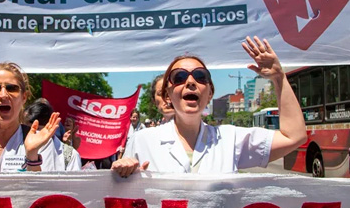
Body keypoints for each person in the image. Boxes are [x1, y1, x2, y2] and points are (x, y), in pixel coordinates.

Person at [113, 37, 306, 176]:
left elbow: (293, 137)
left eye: (200, 76)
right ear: (167, 95)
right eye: (179, 77)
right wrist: (122, 171)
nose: (190, 81)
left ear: (210, 93)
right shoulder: (142, 140)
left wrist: (279, 78)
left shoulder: (231, 139)